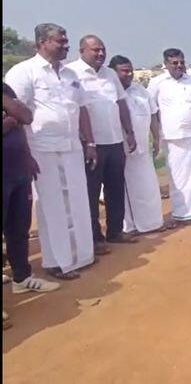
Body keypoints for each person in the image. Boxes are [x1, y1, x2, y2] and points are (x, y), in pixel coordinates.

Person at [5, 23, 96, 280]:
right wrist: (25, 155)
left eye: (66, 40)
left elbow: (82, 110)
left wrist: (89, 143)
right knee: (52, 205)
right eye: (60, 41)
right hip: (41, 149)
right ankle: (57, 262)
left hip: (71, 147)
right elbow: (16, 115)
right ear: (42, 43)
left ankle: (81, 255)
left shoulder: (70, 75)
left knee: (77, 201)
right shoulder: (23, 72)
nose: (66, 45)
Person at [66, 35, 139, 248]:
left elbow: (121, 103)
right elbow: (76, 108)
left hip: (115, 141)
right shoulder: (72, 73)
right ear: (82, 51)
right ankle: (94, 237)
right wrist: (87, 141)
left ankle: (115, 231)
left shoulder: (110, 74)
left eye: (103, 49)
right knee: (90, 190)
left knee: (115, 188)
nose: (100, 53)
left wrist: (129, 131)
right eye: (95, 50)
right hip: (90, 144)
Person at [3, 82, 60, 327]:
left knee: (18, 228)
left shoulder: (5, 89)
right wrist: (7, 121)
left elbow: (25, 117)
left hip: (17, 170)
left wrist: (27, 156)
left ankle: (22, 278)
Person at [109, 55, 171, 234]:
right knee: (124, 190)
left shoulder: (141, 91)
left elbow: (152, 115)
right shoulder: (110, 92)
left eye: (130, 70)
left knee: (148, 186)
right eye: (124, 71)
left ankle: (151, 223)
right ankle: (128, 226)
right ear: (113, 72)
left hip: (143, 149)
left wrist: (156, 138)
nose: (129, 74)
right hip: (122, 150)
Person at [148, 48, 191, 221]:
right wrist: (156, 135)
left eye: (182, 62)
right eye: (175, 63)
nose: (179, 66)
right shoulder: (157, 82)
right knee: (178, 176)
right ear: (166, 64)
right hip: (172, 136)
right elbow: (152, 109)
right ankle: (181, 213)